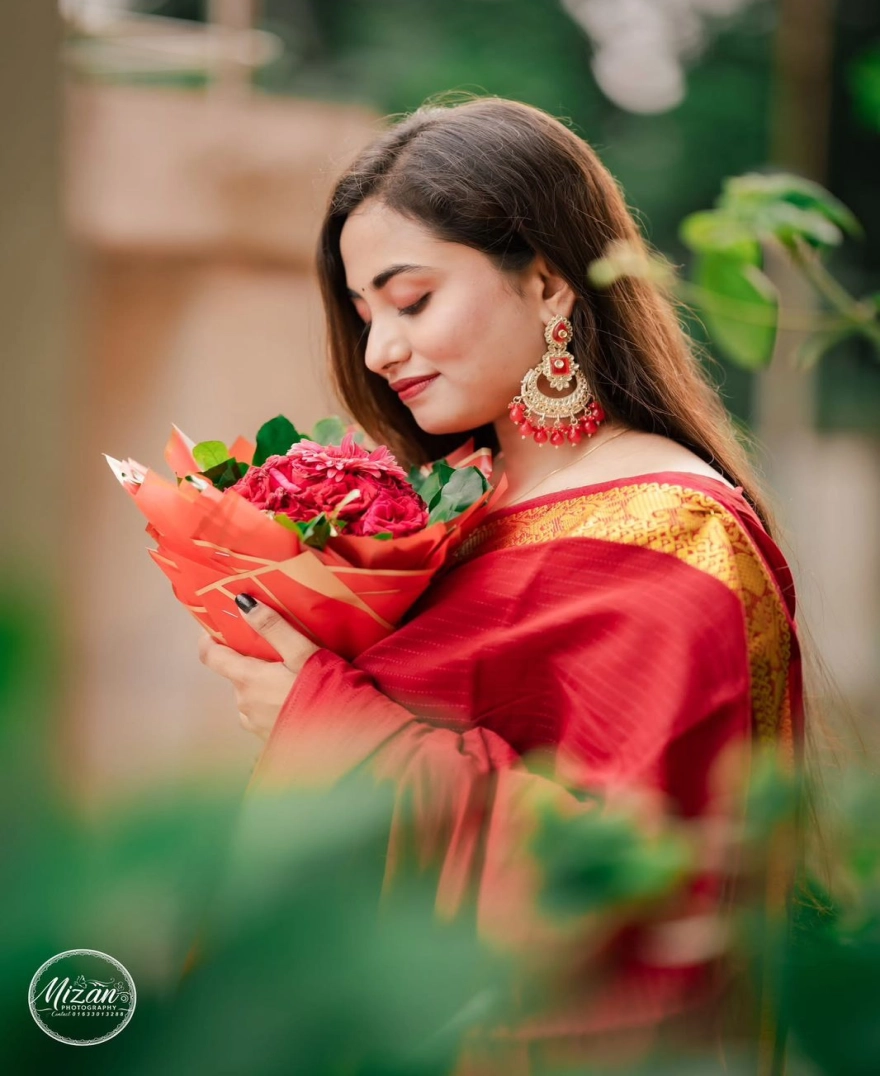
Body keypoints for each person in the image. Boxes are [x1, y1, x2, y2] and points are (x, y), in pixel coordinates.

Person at [196, 95, 803, 1072]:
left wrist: (321, 719)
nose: (379, 352)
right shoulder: (443, 508)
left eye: (411, 299)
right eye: (363, 316)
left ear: (551, 285)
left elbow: (632, 882)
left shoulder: (675, 530)